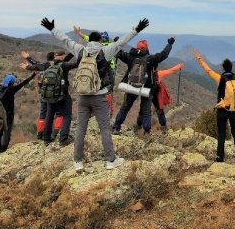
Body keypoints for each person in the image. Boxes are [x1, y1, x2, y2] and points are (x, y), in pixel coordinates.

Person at [41, 16, 149, 171]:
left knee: (80, 129)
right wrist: (137, 29)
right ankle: (110, 160)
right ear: (99, 41)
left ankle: (78, 161)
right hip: (100, 96)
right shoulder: (105, 51)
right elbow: (121, 42)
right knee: (104, 128)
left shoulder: (80, 50)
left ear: (88, 40)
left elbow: (65, 40)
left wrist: (52, 29)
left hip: (83, 97)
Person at [193, 49, 235, 163]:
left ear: (223, 68)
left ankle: (220, 157)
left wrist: (199, 58)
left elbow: (208, 70)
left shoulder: (220, 78)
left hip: (222, 110)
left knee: (221, 134)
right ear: (231, 67)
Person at [112, 37, 175, 135]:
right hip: (147, 89)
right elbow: (164, 54)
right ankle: (146, 131)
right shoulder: (150, 59)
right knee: (146, 111)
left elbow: (119, 53)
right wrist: (170, 44)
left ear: (137, 48)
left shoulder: (130, 57)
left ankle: (116, 127)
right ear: (146, 48)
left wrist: (117, 42)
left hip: (131, 87)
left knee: (125, 108)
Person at [21, 50, 78, 146]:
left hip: (49, 95)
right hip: (63, 95)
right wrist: (79, 51)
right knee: (67, 115)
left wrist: (27, 63)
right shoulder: (64, 65)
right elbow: (76, 63)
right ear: (61, 57)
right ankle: (63, 139)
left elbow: (36, 65)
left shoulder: (46, 65)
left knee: (49, 115)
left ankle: (46, 138)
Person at [0, 70, 36, 154]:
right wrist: (32, 75)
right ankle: (3, 151)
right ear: (12, 82)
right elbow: (23, 83)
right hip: (8, 116)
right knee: (6, 134)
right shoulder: (11, 90)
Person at [74, 27, 119, 116]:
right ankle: (108, 111)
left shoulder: (99, 47)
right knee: (109, 92)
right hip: (110, 72)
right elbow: (119, 43)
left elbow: (87, 38)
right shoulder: (110, 46)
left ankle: (93, 111)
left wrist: (79, 33)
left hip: (98, 70)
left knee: (96, 87)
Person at [19, 50, 55, 140]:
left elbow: (37, 64)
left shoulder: (44, 66)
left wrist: (28, 60)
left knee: (43, 114)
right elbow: (37, 64)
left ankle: (40, 133)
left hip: (43, 94)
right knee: (53, 113)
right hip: (53, 95)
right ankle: (51, 133)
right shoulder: (55, 66)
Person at [152, 62, 184, 132]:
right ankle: (163, 127)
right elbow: (170, 70)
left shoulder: (145, 73)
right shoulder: (158, 73)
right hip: (157, 96)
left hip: (149, 95)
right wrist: (179, 66)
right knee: (160, 111)